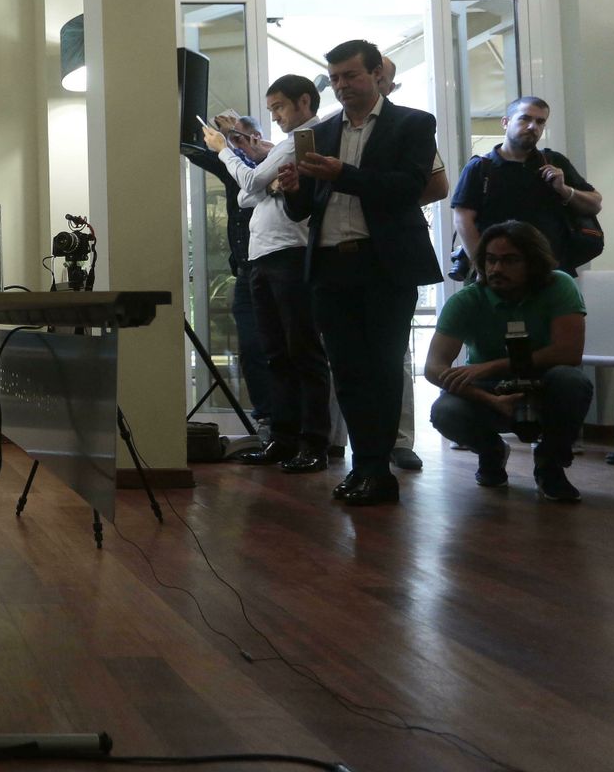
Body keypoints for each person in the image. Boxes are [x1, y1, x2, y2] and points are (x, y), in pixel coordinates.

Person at [279, 40, 443, 506]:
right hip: (330, 265)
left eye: (350, 76)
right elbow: (306, 207)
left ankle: (378, 469)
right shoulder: (324, 131)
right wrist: (294, 190)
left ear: (376, 75)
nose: (342, 86)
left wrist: (342, 174)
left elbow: (409, 187)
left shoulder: (412, 123)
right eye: (334, 79)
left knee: (383, 367)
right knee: (347, 372)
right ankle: (361, 466)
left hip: (383, 263)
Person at [201, 77, 333, 472]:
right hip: (262, 256)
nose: (274, 116)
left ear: (304, 101)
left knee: (302, 352)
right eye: (272, 108)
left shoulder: (302, 139)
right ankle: (283, 437)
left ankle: (313, 443)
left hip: (289, 254)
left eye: (278, 107)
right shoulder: (286, 145)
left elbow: (250, 183)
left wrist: (226, 150)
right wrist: (260, 176)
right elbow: (246, 194)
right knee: (274, 353)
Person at [426, 221, 589, 502]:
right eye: (491, 260)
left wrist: (491, 365)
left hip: (545, 383)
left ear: (533, 262)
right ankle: (491, 453)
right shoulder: (467, 301)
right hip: (490, 389)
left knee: (572, 381)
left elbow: (569, 352)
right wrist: (489, 399)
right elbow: (433, 367)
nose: (496, 269)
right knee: (445, 410)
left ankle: (549, 466)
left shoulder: (559, 285)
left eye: (509, 260)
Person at [376, 54, 446, 472]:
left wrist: (382, 207)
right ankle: (341, 439)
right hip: (339, 252)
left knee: (395, 352)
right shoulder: (332, 128)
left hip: (391, 250)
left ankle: (400, 440)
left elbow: (439, 185)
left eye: (382, 77)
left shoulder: (410, 126)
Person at [182, 114, 273, 429]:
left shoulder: (270, 166)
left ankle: (288, 421)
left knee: (277, 346)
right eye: (231, 140)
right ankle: (266, 417)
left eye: (240, 138)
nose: (233, 146)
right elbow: (196, 152)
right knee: (249, 346)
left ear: (257, 138)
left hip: (272, 269)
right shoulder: (230, 167)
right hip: (246, 272)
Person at [452, 96, 603, 276]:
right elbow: (462, 219)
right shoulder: (480, 167)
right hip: (499, 274)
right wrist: (483, 267)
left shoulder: (554, 162)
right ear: (505, 122)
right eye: (525, 118)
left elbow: (595, 204)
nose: (533, 127)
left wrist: (564, 190)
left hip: (551, 272)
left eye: (540, 122)